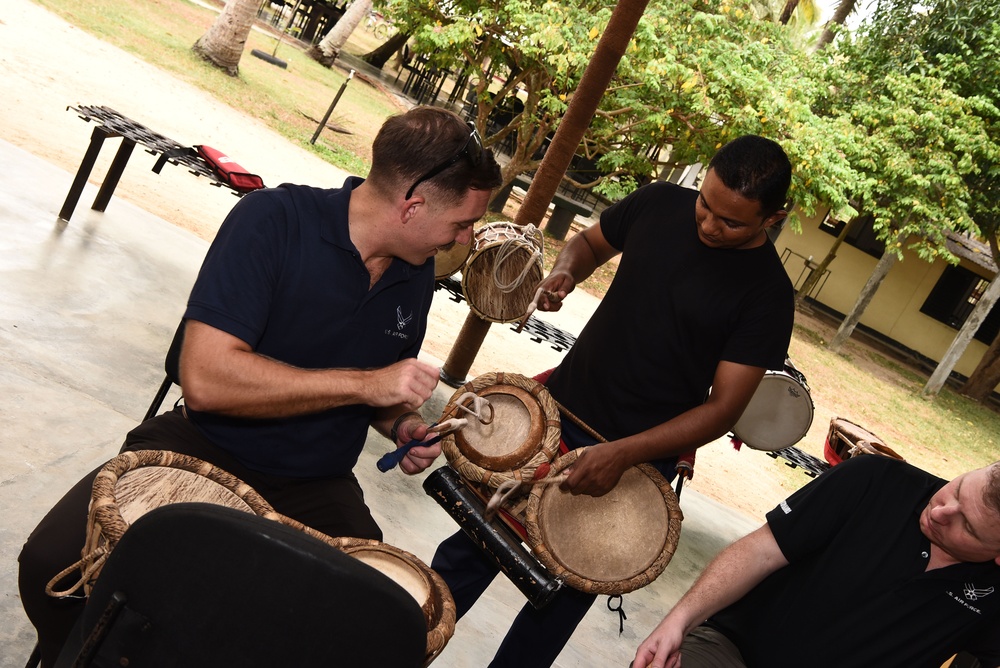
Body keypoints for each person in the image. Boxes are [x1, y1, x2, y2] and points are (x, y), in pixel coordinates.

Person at [18, 105, 502, 667]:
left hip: (316, 483)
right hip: (206, 445)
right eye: (462, 224)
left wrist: (404, 424)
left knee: (388, 630)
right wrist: (369, 383)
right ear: (412, 205)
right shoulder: (274, 219)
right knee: (52, 564)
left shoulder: (414, 272)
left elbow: (375, 391)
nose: (463, 240)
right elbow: (205, 379)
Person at [431, 134, 796, 667]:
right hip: (554, 418)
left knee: (555, 598)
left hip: (633, 466)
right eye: (705, 204)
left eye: (731, 222)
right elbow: (589, 244)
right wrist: (565, 272)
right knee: (470, 549)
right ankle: (402, 644)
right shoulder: (659, 203)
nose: (708, 224)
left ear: (773, 217)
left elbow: (721, 411)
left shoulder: (767, 296)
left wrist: (623, 454)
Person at [633, 455, 1000, 668]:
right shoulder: (874, 479)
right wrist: (678, 622)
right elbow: (760, 551)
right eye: (958, 487)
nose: (941, 511)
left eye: (966, 525)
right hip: (733, 654)